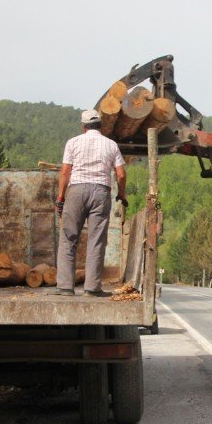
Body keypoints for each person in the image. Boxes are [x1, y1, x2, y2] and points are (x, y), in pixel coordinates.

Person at [54, 109, 128, 296]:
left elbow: (65, 172)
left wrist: (60, 197)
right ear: (100, 125)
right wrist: (122, 194)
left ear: (83, 126)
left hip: (76, 191)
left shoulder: (73, 143)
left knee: (69, 238)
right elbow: (120, 174)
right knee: (96, 241)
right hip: (101, 192)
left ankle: (65, 287)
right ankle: (92, 289)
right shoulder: (111, 145)